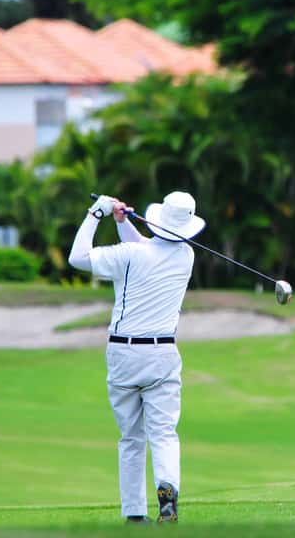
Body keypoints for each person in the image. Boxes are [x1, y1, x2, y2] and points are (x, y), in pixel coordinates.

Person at [68, 191, 205, 524]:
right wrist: (123, 222)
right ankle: (168, 497)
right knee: (164, 433)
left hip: (124, 354)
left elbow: (78, 257)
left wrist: (96, 214)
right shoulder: (185, 255)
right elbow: (151, 247)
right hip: (162, 354)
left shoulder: (130, 254)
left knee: (131, 437)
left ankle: (133, 514)